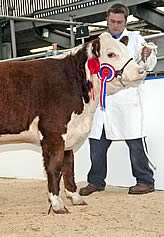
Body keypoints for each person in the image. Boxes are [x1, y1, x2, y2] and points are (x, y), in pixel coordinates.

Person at [79, 3, 157, 196]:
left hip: (126, 98)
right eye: (112, 21)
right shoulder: (98, 42)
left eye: (119, 22)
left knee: (135, 141)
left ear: (126, 21)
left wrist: (148, 56)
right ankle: (96, 181)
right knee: (97, 142)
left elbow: (148, 63)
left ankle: (145, 181)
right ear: (107, 19)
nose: (115, 25)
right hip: (103, 101)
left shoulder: (136, 40)